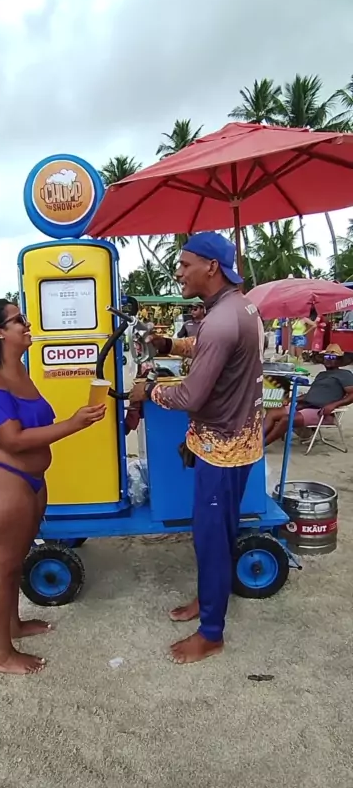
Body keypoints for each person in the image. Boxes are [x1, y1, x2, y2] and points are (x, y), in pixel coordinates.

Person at [130, 232, 264, 665]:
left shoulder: (222, 320)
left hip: (222, 450)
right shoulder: (238, 308)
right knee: (217, 534)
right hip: (236, 442)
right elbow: (207, 345)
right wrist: (170, 345)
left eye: (185, 264)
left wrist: (149, 391)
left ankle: (211, 632)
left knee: (211, 539)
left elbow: (190, 397)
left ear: (211, 266)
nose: (179, 272)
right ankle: (209, 598)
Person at [0, 299, 106, 675]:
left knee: (15, 562)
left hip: (29, 484)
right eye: (19, 320)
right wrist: (74, 423)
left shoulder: (21, 373)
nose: (28, 324)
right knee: (0, 572)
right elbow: (12, 439)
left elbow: (34, 425)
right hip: (3, 486)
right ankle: (0, 655)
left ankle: (13, 625)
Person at [264, 343, 353, 445]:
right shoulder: (321, 374)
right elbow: (310, 395)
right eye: (326, 356)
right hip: (305, 405)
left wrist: (334, 405)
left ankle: (262, 445)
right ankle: (256, 440)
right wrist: (290, 399)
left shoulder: (345, 375)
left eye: (332, 357)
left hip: (321, 411)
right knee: (272, 413)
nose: (328, 359)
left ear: (339, 360)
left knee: (286, 420)